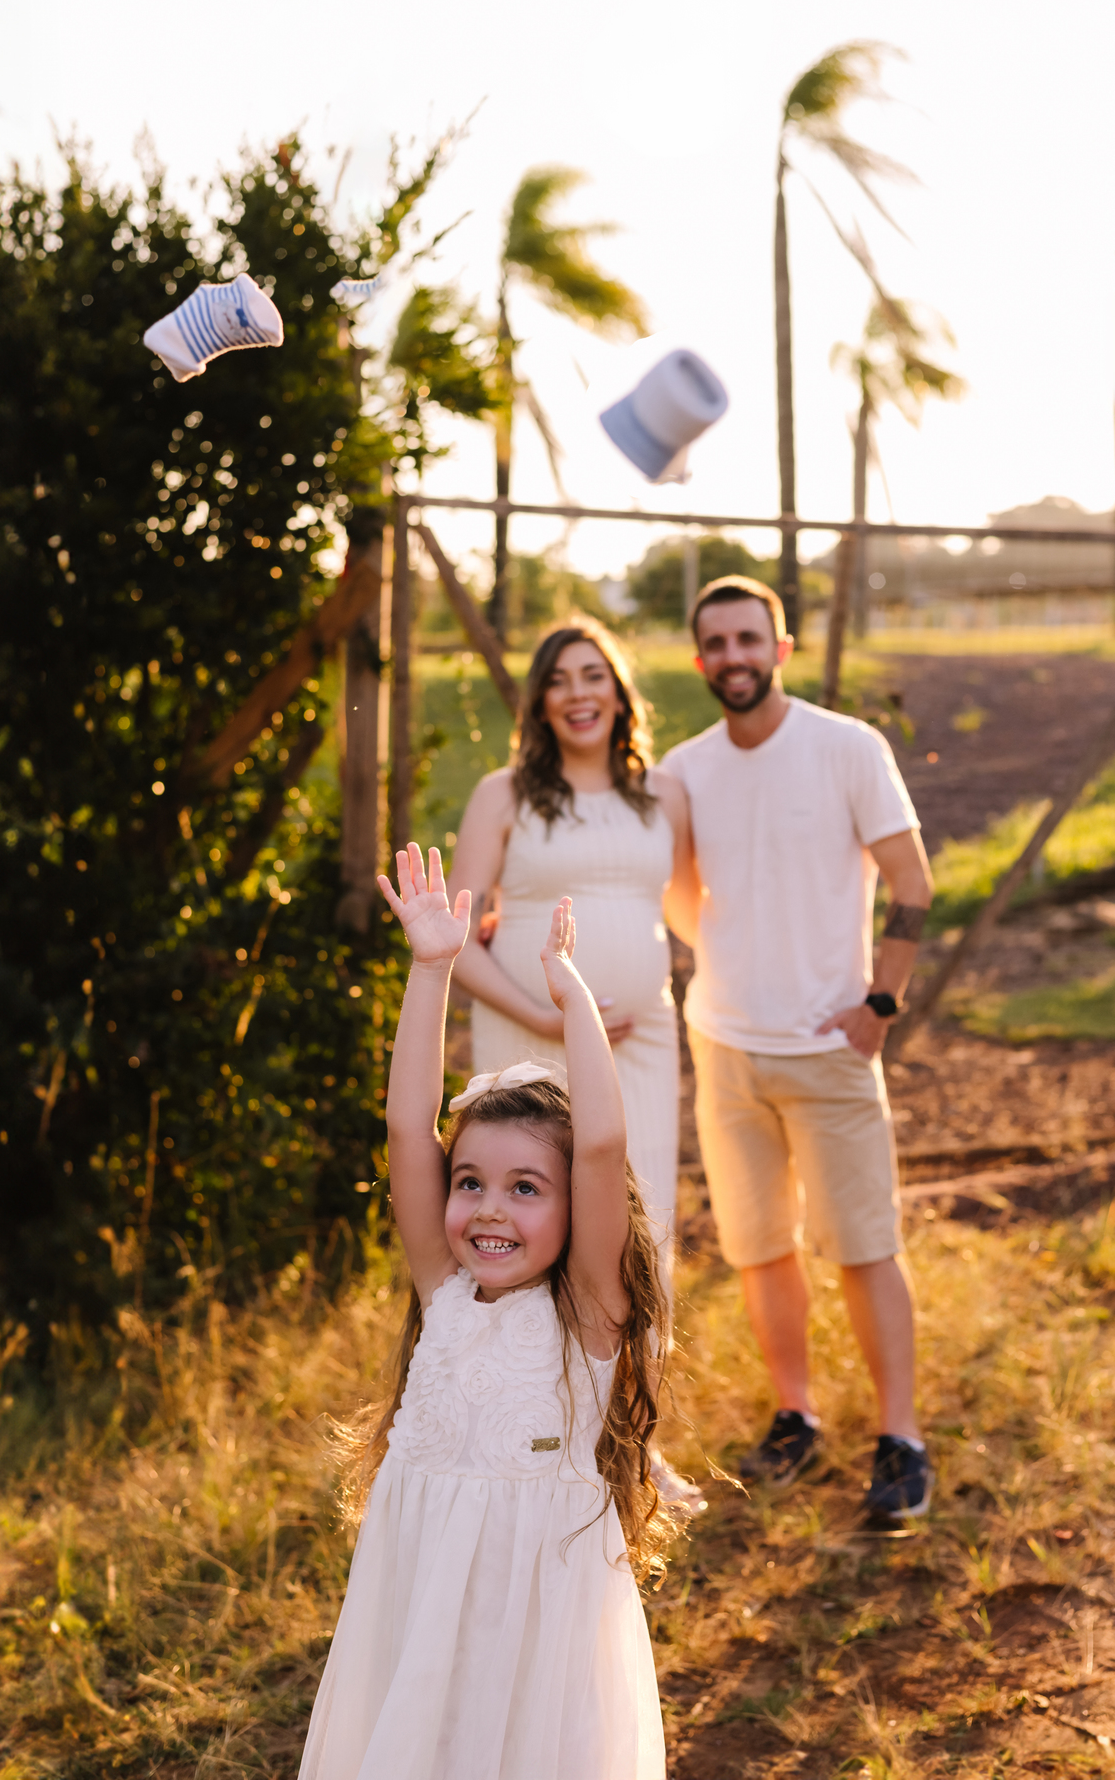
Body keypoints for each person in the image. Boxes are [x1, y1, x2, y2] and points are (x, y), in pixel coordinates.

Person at [297, 844, 669, 1780]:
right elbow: (404, 1129)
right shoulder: (445, 1291)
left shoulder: (588, 1315)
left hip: (537, 1626)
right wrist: (434, 969)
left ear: (577, 1207)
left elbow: (603, 1145)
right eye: (471, 1183)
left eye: (524, 1187)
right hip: (418, 1596)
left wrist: (566, 990)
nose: (490, 1209)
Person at [661, 577, 935, 1525]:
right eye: (716, 645)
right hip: (726, 1046)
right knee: (759, 1248)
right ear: (700, 662)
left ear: (781, 648)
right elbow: (669, 890)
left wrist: (880, 1004)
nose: (732, 657)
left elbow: (913, 881)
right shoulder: (683, 769)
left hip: (830, 1050)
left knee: (864, 1248)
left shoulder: (848, 748)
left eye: (749, 639)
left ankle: (900, 1439)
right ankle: (796, 1414)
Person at [447, 618, 689, 1266]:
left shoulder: (664, 794)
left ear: (619, 691)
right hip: (524, 1041)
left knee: (642, 1214)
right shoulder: (503, 795)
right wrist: (544, 1017)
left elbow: (685, 909)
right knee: (527, 1214)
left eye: (592, 676)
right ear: (540, 704)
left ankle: (630, 1368)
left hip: (640, 1039)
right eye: (558, 681)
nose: (577, 694)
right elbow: (456, 939)